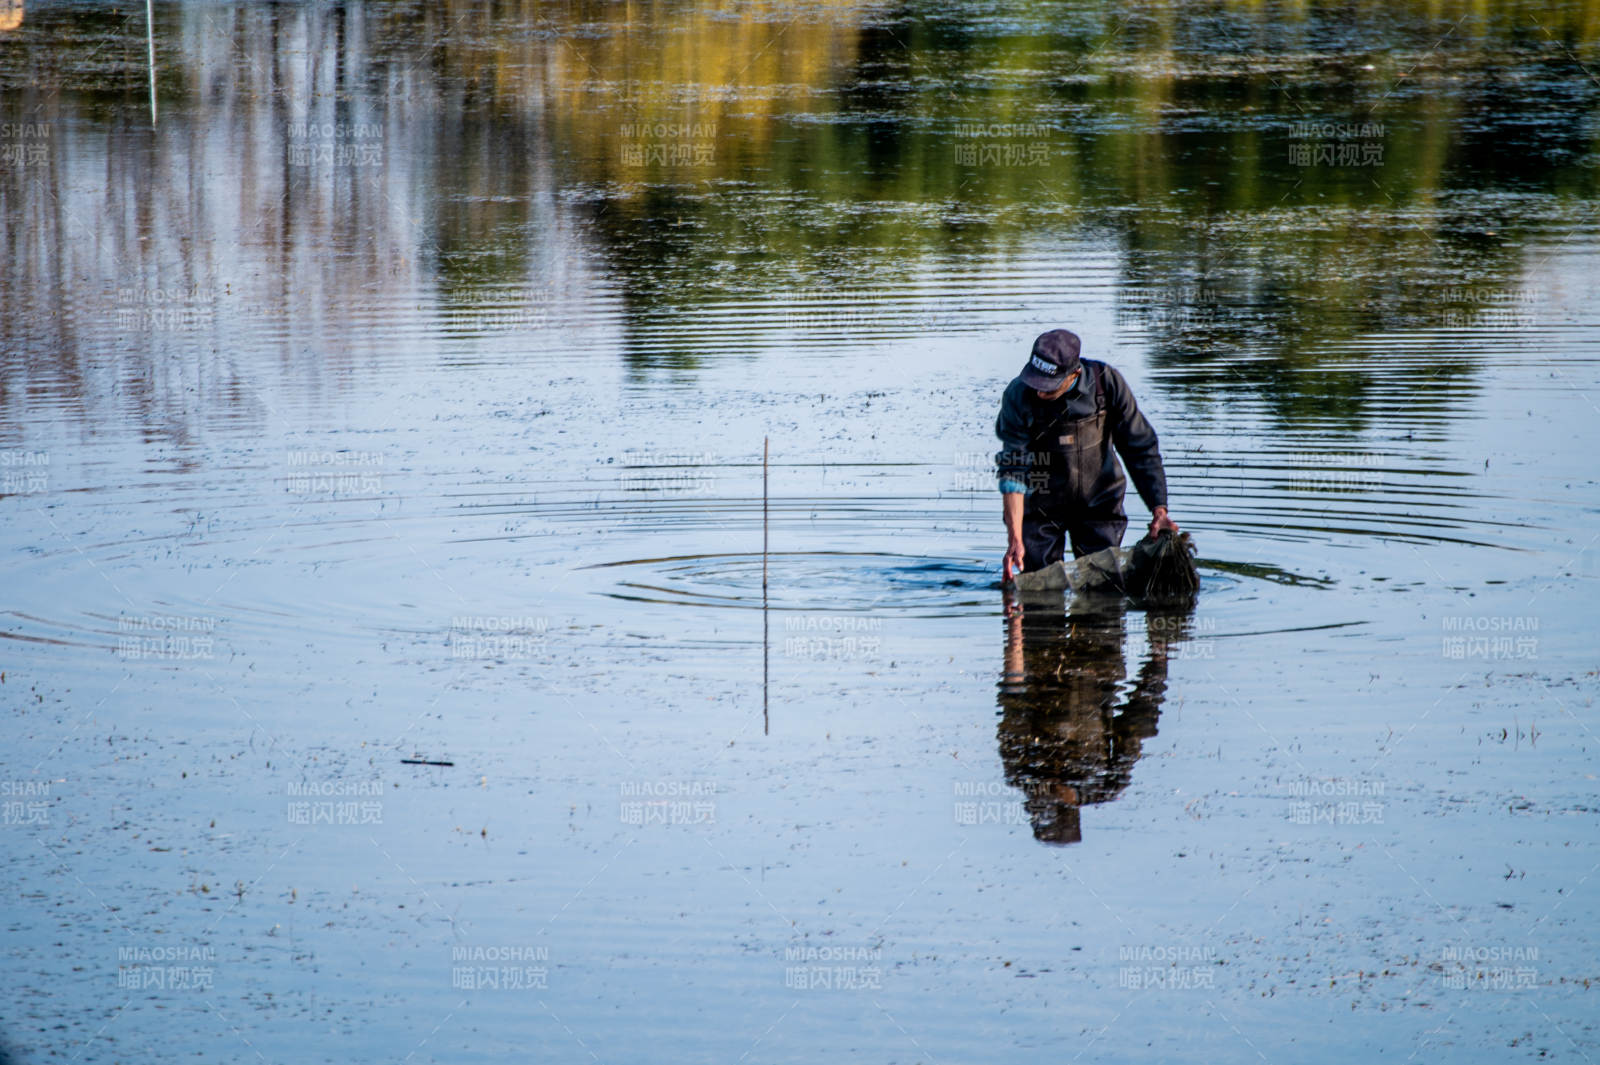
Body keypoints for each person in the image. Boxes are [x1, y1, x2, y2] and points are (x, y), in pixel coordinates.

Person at [994, 329, 1178, 582]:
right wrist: (1015, 538)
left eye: (1048, 387)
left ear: (1075, 374)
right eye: (1035, 382)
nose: (1039, 393)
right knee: (1040, 593)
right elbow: (1013, 470)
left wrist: (1159, 509)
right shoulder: (1017, 395)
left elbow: (1140, 447)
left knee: (1103, 588)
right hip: (1040, 508)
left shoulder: (1106, 383)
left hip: (1100, 504)